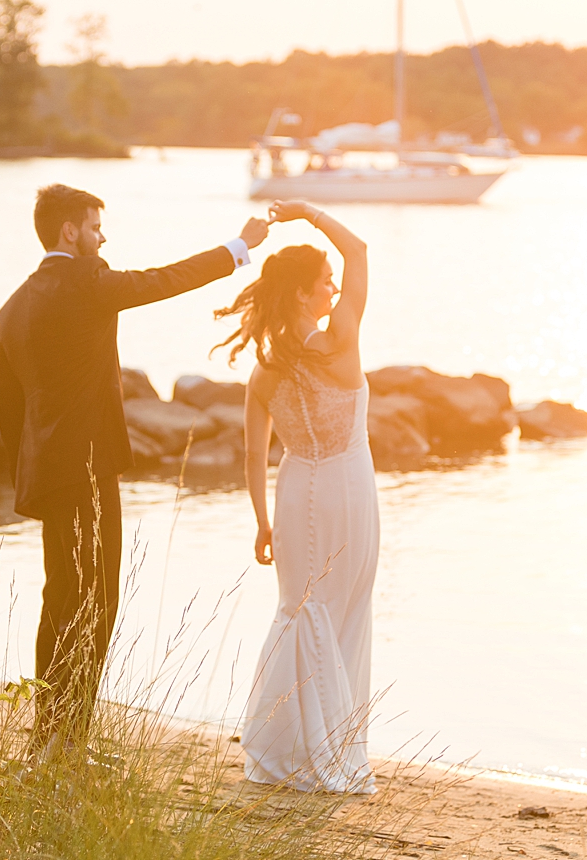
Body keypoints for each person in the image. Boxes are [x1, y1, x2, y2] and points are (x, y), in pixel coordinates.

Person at [0, 183, 269, 751]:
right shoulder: (87, 283)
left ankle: (51, 733)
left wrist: (32, 472)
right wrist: (239, 247)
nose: (103, 237)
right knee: (96, 601)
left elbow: (6, 406)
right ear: (70, 231)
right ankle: (69, 741)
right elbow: (163, 281)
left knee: (60, 599)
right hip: (88, 471)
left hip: (47, 476)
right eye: (95, 227)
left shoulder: (13, 306)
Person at [215, 199, 379, 793]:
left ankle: (286, 745)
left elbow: (254, 454)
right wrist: (308, 212)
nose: (335, 290)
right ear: (307, 293)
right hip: (348, 489)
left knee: (299, 611)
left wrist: (261, 521)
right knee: (342, 612)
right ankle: (328, 747)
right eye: (326, 283)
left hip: (295, 492)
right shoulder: (340, 343)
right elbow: (358, 249)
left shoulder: (265, 369)